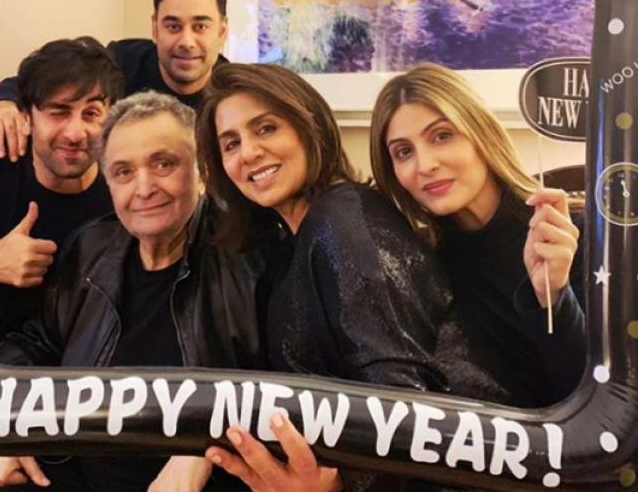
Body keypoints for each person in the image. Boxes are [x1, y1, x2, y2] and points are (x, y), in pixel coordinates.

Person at [196, 62, 484, 492]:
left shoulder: (345, 221)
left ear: (308, 125)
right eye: (231, 143)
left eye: (266, 128)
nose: (249, 153)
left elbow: (406, 414)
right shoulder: (287, 244)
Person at [0, 91, 264, 492]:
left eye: (163, 164)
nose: (143, 188)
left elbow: (285, 390)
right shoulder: (90, 247)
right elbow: (36, 344)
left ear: (203, 171)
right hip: (71, 475)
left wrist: (207, 444)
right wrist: (9, 423)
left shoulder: (248, 258)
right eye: (123, 172)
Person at [369, 62, 585, 407]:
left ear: (481, 134)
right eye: (404, 152)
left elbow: (603, 402)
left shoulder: (570, 235)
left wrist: (553, 296)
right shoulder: (424, 259)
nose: (425, 165)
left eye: (442, 136)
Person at [0, 0, 228, 160]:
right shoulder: (120, 61)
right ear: (155, 29)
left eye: (200, 27)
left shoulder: (231, 95)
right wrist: (6, 103)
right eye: (173, 27)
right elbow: (42, 80)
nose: (187, 42)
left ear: (222, 31)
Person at [0, 37, 123, 338]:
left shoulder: (127, 192)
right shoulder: (4, 169)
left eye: (91, 114)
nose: (75, 133)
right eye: (59, 112)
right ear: (26, 119)